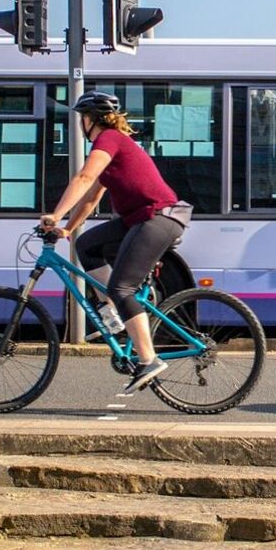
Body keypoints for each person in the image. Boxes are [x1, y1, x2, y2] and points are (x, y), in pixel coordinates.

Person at [40, 91, 190, 391]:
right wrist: (68, 229)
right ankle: (112, 309)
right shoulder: (113, 148)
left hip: (158, 216)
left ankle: (149, 359)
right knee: (86, 245)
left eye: (80, 119)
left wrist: (55, 215)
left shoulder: (109, 138)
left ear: (89, 120)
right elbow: (92, 196)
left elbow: (83, 178)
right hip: (142, 218)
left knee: (122, 287)